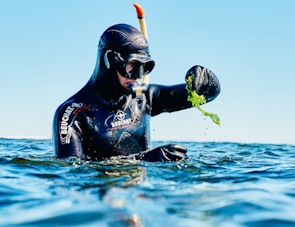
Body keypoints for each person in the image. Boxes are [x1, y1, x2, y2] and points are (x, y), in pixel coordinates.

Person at [53, 24, 220, 162]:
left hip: (142, 195)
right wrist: (143, 158)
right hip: (101, 195)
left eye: (145, 67)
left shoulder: (144, 98)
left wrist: (206, 81)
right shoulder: (73, 114)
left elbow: (208, 94)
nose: (139, 76)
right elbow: (72, 173)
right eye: (132, 64)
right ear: (110, 60)